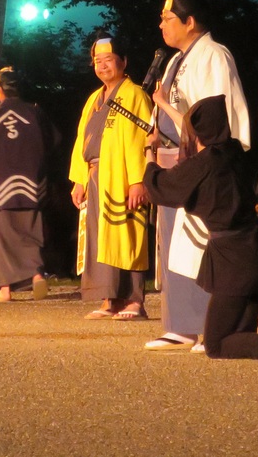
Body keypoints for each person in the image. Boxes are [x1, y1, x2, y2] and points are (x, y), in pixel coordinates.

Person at [143, 95, 258, 360]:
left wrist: (150, 154)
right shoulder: (235, 155)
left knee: (216, 345)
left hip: (235, 263)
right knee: (240, 337)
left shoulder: (206, 163)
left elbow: (162, 188)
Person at [145, 0, 252, 352]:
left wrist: (168, 111)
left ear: (190, 22)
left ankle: (210, 325)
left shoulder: (214, 55)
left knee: (202, 243)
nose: (161, 25)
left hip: (206, 160)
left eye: (167, 18)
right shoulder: (176, 60)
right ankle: (181, 324)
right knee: (174, 244)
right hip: (176, 155)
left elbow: (215, 120)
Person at [69, 33, 152, 320]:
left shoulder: (136, 95)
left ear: (123, 62)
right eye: (97, 61)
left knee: (127, 235)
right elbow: (82, 139)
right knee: (98, 240)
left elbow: (142, 139)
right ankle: (108, 300)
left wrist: (138, 180)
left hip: (122, 176)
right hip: (95, 176)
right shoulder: (94, 98)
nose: (102, 66)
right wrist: (79, 179)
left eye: (108, 60)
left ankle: (134, 302)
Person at [0, 67, 57, 302]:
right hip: (31, 182)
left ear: (0, 90)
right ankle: (35, 276)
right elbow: (52, 141)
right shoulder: (34, 112)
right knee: (30, 232)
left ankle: (6, 289)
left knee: (3, 236)